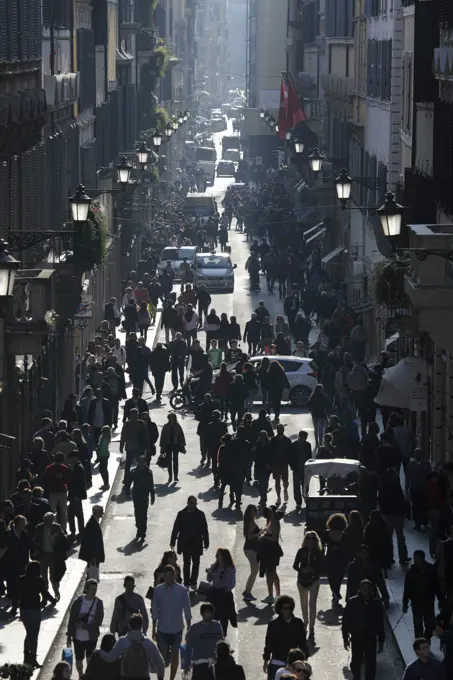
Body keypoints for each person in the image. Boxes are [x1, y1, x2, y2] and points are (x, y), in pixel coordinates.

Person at [152, 565, 191, 680]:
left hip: (177, 629)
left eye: (171, 575)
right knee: (162, 657)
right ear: (164, 576)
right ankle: (161, 678)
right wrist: (154, 628)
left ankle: (172, 679)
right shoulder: (158, 590)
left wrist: (189, 627)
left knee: (175, 656)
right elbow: (155, 609)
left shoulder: (182, 590)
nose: (169, 578)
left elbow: (187, 609)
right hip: (162, 629)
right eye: (167, 576)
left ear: (174, 575)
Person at [342, 579, 385, 680]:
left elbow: (380, 623)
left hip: (371, 639)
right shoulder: (352, 602)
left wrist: (381, 640)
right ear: (360, 589)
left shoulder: (376, 604)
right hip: (357, 638)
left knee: (371, 665)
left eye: (368, 589)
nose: (366, 592)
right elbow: (346, 621)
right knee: (356, 663)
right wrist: (345, 637)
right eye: (364, 589)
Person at [105, 612, 165, 680]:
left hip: (126, 677)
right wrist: (160, 677)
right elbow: (160, 663)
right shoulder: (148, 643)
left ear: (129, 626)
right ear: (141, 626)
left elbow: (110, 659)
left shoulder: (122, 642)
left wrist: (99, 652)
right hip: (143, 677)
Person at [20, 560, 57, 667]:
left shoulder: (21, 579)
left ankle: (26, 657)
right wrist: (53, 600)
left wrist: (14, 609)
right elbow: (44, 593)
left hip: (24, 610)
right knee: (34, 635)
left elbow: (16, 594)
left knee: (29, 634)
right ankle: (32, 659)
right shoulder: (38, 580)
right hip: (34, 610)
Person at [263, 595, 309, 680]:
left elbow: (303, 642)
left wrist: (305, 658)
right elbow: (269, 644)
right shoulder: (273, 625)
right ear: (279, 609)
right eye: (285, 608)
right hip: (277, 662)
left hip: (294, 665)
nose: (288, 610)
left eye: (290, 608)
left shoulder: (298, 623)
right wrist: (266, 660)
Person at [67, 578, 105, 680]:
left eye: (95, 589)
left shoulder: (99, 603)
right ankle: (80, 675)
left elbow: (98, 621)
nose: (94, 592)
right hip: (78, 636)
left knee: (90, 658)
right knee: (79, 659)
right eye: (92, 589)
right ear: (86, 589)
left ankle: (88, 676)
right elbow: (71, 620)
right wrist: (69, 636)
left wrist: (85, 626)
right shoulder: (78, 602)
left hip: (91, 636)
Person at [170, 496, 209, 590]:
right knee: (186, 563)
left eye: (195, 504)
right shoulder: (181, 514)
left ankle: (193, 582)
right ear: (188, 503)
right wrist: (172, 541)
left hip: (196, 542)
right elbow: (176, 528)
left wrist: (206, 542)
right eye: (192, 503)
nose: (193, 505)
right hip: (185, 543)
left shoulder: (200, 514)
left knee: (196, 563)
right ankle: (187, 582)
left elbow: (204, 529)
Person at [402, 550, 442, 640]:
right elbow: (407, 589)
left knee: (430, 624)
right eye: (414, 558)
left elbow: (437, 586)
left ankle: (427, 638)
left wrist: (441, 599)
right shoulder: (411, 572)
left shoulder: (431, 571)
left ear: (422, 559)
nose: (415, 560)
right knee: (418, 624)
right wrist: (405, 602)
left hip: (428, 602)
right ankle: (420, 642)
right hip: (416, 603)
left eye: (417, 558)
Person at [293, 532, 324, 642]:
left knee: (312, 604)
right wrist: (303, 570)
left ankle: (311, 628)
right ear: (305, 540)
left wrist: (314, 569)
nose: (311, 540)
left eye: (313, 539)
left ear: (316, 541)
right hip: (302, 581)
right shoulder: (301, 551)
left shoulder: (319, 553)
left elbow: (323, 567)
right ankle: (305, 622)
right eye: (308, 538)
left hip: (314, 580)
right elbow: (295, 565)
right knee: (304, 603)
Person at [32, 511, 68, 600]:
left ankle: (56, 593)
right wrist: (36, 551)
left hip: (54, 555)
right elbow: (35, 541)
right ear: (44, 520)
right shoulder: (39, 528)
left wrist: (58, 537)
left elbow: (64, 539)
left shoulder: (56, 527)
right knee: (43, 576)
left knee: (53, 576)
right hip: (43, 554)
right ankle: (45, 595)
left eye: (52, 520)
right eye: (48, 520)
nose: (50, 522)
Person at [183, 602, 224, 679]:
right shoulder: (194, 628)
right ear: (202, 614)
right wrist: (186, 667)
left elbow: (222, 644)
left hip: (214, 665)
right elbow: (188, 648)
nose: (210, 615)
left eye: (212, 613)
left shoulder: (217, 626)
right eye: (207, 613)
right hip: (199, 664)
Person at [378, 467, 409, 563]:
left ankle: (389, 557)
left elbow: (381, 500)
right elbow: (402, 500)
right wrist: (405, 513)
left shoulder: (384, 486)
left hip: (387, 514)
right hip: (398, 514)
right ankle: (402, 557)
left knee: (388, 537)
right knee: (400, 536)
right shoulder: (397, 485)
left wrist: (382, 511)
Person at [206, 548, 237, 636]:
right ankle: (214, 635)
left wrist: (227, 589)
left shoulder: (229, 569)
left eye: (218, 555)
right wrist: (209, 574)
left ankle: (223, 635)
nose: (216, 557)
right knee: (213, 615)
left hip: (224, 594)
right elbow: (209, 580)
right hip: (215, 593)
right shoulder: (214, 566)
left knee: (224, 617)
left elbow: (232, 582)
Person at [120, 409, 150, 493]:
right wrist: (121, 445)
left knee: (140, 464)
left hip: (138, 447)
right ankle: (127, 481)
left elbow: (146, 436)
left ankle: (140, 479)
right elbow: (123, 435)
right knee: (128, 466)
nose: (134, 416)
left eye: (135, 414)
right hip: (130, 447)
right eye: (133, 414)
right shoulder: (128, 424)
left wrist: (147, 447)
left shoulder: (141, 423)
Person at [259, 506, 284, 605]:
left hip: (271, 550)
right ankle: (277, 595)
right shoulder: (272, 521)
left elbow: (274, 538)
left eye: (270, 511)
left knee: (270, 573)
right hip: (271, 550)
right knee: (273, 572)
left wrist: (263, 537)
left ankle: (271, 595)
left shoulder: (274, 522)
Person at [323, 512, 349, 607]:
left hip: (330, 558)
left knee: (331, 577)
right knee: (339, 578)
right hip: (340, 558)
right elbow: (347, 549)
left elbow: (322, 546)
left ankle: (335, 593)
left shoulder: (326, 533)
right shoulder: (344, 535)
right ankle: (336, 593)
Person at [130, 456, 155, 541]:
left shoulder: (148, 473)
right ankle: (138, 527)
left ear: (145, 463)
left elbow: (151, 485)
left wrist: (152, 496)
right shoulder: (134, 472)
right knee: (137, 513)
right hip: (136, 496)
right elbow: (128, 481)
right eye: (140, 462)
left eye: (143, 462)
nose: (141, 464)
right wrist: (127, 491)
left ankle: (142, 531)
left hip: (144, 496)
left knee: (144, 514)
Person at [406, 449, 431, 530]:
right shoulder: (411, 464)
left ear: (422, 455)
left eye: (419, 454)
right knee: (416, 507)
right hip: (415, 488)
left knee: (425, 506)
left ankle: (425, 522)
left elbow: (430, 476)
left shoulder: (426, 464)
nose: (417, 456)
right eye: (416, 454)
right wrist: (407, 487)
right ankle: (417, 523)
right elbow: (408, 476)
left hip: (425, 489)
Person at [79, 505, 104, 581]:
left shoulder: (93, 522)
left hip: (93, 556)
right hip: (93, 556)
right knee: (92, 576)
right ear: (95, 512)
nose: (102, 514)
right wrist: (93, 556)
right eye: (100, 512)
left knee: (92, 574)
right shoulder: (92, 524)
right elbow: (92, 542)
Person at [159, 412, 186, 484]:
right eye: (170, 418)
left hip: (175, 445)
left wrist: (182, 446)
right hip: (168, 446)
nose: (171, 419)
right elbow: (163, 438)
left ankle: (176, 476)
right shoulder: (165, 426)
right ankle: (170, 476)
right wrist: (162, 448)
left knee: (175, 461)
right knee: (169, 462)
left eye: (172, 418)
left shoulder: (177, 426)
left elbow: (181, 436)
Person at [289, 431, 312, 511]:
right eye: (304, 437)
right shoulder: (293, 445)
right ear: (300, 436)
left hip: (305, 469)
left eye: (306, 437)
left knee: (305, 485)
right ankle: (298, 502)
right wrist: (292, 466)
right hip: (297, 469)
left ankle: (306, 497)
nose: (305, 439)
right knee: (296, 487)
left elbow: (310, 457)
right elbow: (290, 457)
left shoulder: (308, 445)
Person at [242, 504, 261, 601]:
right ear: (251, 513)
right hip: (251, 550)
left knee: (254, 571)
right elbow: (250, 537)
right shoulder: (251, 523)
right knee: (254, 572)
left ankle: (247, 590)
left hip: (251, 549)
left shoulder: (250, 522)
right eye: (255, 510)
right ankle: (247, 592)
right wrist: (259, 533)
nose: (256, 512)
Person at [96, 425, 111, 490]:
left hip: (103, 455)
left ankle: (106, 484)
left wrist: (97, 450)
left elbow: (100, 446)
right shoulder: (106, 437)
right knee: (104, 469)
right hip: (104, 454)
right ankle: (106, 483)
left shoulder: (104, 438)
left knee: (102, 470)